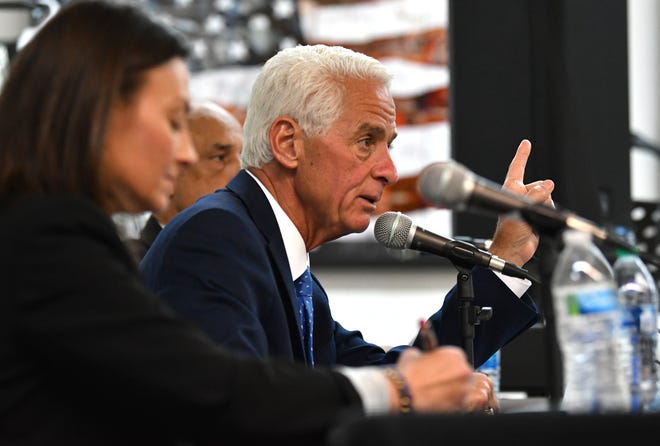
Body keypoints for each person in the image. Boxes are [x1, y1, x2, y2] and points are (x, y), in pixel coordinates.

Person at [0, 2, 490, 445]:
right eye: (173, 121)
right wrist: (396, 390)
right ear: (97, 116)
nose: (186, 151)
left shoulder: (50, 232)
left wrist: (416, 380)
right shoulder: (52, 236)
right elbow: (215, 391)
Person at [140, 45, 554, 378]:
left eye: (388, 145)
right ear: (288, 144)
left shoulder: (282, 260)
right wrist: (404, 396)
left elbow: (389, 379)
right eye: (365, 141)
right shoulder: (216, 237)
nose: (389, 171)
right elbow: (241, 412)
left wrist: (508, 254)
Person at [125, 99, 243, 261]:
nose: (241, 172)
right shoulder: (131, 268)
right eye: (219, 158)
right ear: (167, 173)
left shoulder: (252, 257)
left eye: (243, 156)